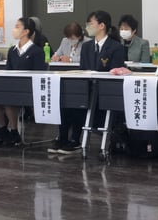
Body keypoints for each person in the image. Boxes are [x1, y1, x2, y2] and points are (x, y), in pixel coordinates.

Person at [51, 10, 125, 154]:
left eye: (90, 24)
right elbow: (83, 70)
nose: (87, 27)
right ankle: (63, 138)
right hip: (87, 88)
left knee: (80, 102)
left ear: (101, 26)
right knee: (66, 99)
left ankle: (75, 140)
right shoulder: (87, 46)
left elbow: (115, 74)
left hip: (104, 92)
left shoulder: (116, 47)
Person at [0, 17, 46, 145]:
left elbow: (39, 75)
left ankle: (14, 131)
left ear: (26, 31)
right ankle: (3, 130)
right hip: (12, 86)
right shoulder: (12, 50)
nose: (14, 30)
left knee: (10, 101)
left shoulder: (37, 51)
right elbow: (8, 71)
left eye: (17, 27)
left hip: (27, 89)